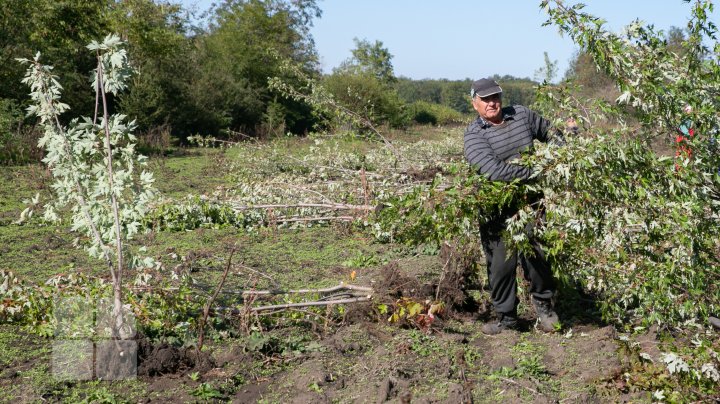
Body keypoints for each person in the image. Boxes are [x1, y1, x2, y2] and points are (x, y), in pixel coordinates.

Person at [463, 78, 571, 335]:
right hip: (495, 209)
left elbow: (552, 132)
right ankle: (507, 318)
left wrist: (557, 155)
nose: (492, 103)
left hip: (530, 202)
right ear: (474, 103)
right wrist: (536, 170)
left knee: (537, 255)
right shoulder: (474, 135)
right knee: (501, 263)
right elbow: (493, 171)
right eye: (486, 99)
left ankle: (545, 308)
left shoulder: (521, 114)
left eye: (496, 97)